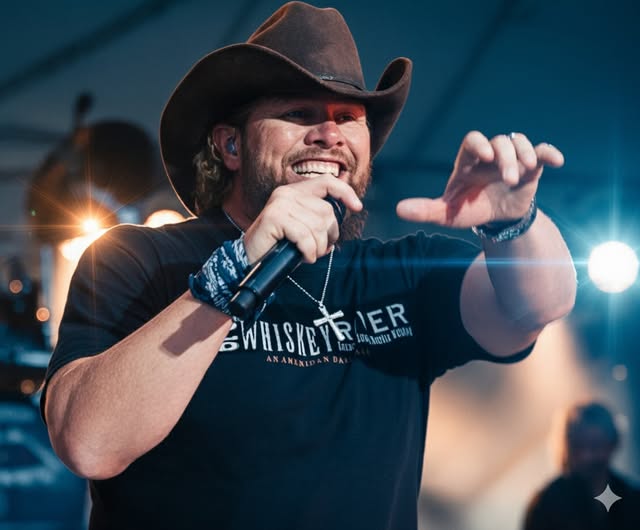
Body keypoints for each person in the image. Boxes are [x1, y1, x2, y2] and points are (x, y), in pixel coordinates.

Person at [41, 2, 577, 529]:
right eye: (299, 114)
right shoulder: (140, 259)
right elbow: (88, 444)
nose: (329, 134)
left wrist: (514, 222)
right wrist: (234, 270)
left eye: (348, 118)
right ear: (231, 145)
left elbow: (537, 305)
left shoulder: (400, 273)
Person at [523, 401, 640, 530]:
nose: (586, 456)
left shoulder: (633, 499)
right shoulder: (546, 504)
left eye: (595, 445)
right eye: (578, 446)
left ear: (612, 444)